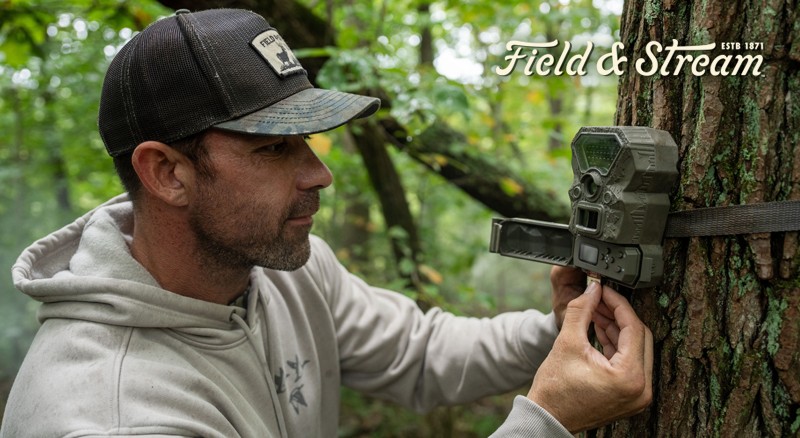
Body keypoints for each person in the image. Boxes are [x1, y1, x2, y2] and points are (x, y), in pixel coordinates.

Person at [1, 8, 652, 438]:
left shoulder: (276, 268)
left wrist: (561, 332)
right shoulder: (111, 415)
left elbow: (419, 352)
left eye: (310, 142)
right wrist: (547, 422)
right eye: (274, 148)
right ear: (168, 172)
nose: (319, 175)